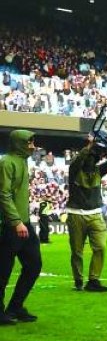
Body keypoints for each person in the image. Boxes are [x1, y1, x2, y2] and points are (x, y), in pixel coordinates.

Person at [67, 135, 107, 292]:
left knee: (101, 247)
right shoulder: (74, 170)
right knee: (77, 251)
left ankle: (93, 280)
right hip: (76, 213)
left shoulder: (98, 170)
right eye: (90, 156)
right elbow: (78, 160)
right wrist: (89, 146)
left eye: (94, 157)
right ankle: (78, 280)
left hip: (96, 214)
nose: (91, 159)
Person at [0, 129, 41, 325]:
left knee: (34, 265)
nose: (33, 146)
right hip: (10, 225)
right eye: (29, 143)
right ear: (18, 143)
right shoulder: (6, 162)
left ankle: (15, 307)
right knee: (3, 270)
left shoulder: (23, 161)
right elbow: (4, 194)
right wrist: (16, 221)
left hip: (23, 223)